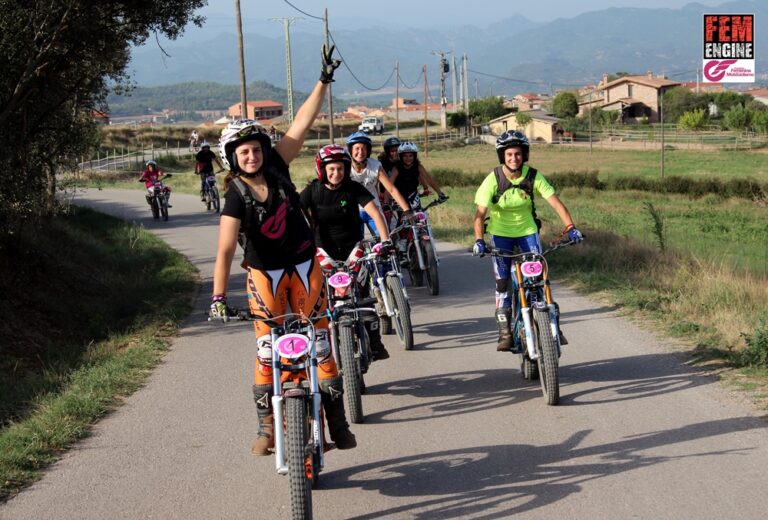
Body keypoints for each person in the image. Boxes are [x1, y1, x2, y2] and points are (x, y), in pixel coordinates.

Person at [209, 44, 357, 455]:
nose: (252, 155)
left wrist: (323, 82)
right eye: (244, 152)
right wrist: (218, 298)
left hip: (305, 266)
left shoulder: (278, 166)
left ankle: (338, 423)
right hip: (264, 275)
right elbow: (225, 250)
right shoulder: (235, 195)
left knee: (321, 343)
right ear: (232, 158)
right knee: (265, 351)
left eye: (256, 148)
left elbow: (302, 123)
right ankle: (266, 430)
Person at [472, 130, 582, 351]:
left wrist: (570, 227)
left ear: (524, 155)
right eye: (509, 154)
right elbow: (480, 215)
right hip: (500, 234)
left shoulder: (533, 176)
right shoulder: (493, 179)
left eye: (518, 154)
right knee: (503, 282)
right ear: (502, 156)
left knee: (539, 279)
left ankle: (552, 323)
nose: (514, 158)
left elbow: (556, 203)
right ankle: (505, 332)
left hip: (527, 232)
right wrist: (479, 240)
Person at [300, 144, 394, 361]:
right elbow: (294, 212)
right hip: (323, 251)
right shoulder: (313, 190)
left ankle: (375, 342)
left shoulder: (353, 188)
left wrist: (385, 241)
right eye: (331, 169)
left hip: (353, 249)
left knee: (363, 296)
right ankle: (319, 344)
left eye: (341, 168)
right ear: (322, 169)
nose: (336, 173)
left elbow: (375, 213)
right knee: (321, 298)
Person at [345, 131, 411, 237]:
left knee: (384, 241)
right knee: (355, 242)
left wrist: (406, 210)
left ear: (368, 150)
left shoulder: (375, 166)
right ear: (350, 150)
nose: (360, 152)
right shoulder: (345, 168)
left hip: (374, 210)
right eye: (357, 148)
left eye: (364, 149)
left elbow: (391, 189)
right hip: (354, 211)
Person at [389, 141, 448, 209]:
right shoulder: (396, 169)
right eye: (405, 156)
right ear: (400, 157)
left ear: (415, 156)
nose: (408, 158)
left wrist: (440, 194)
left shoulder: (418, 167)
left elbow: (429, 180)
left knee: (420, 215)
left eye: (411, 156)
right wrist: (386, 202)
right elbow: (389, 185)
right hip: (399, 198)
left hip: (414, 197)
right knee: (403, 215)